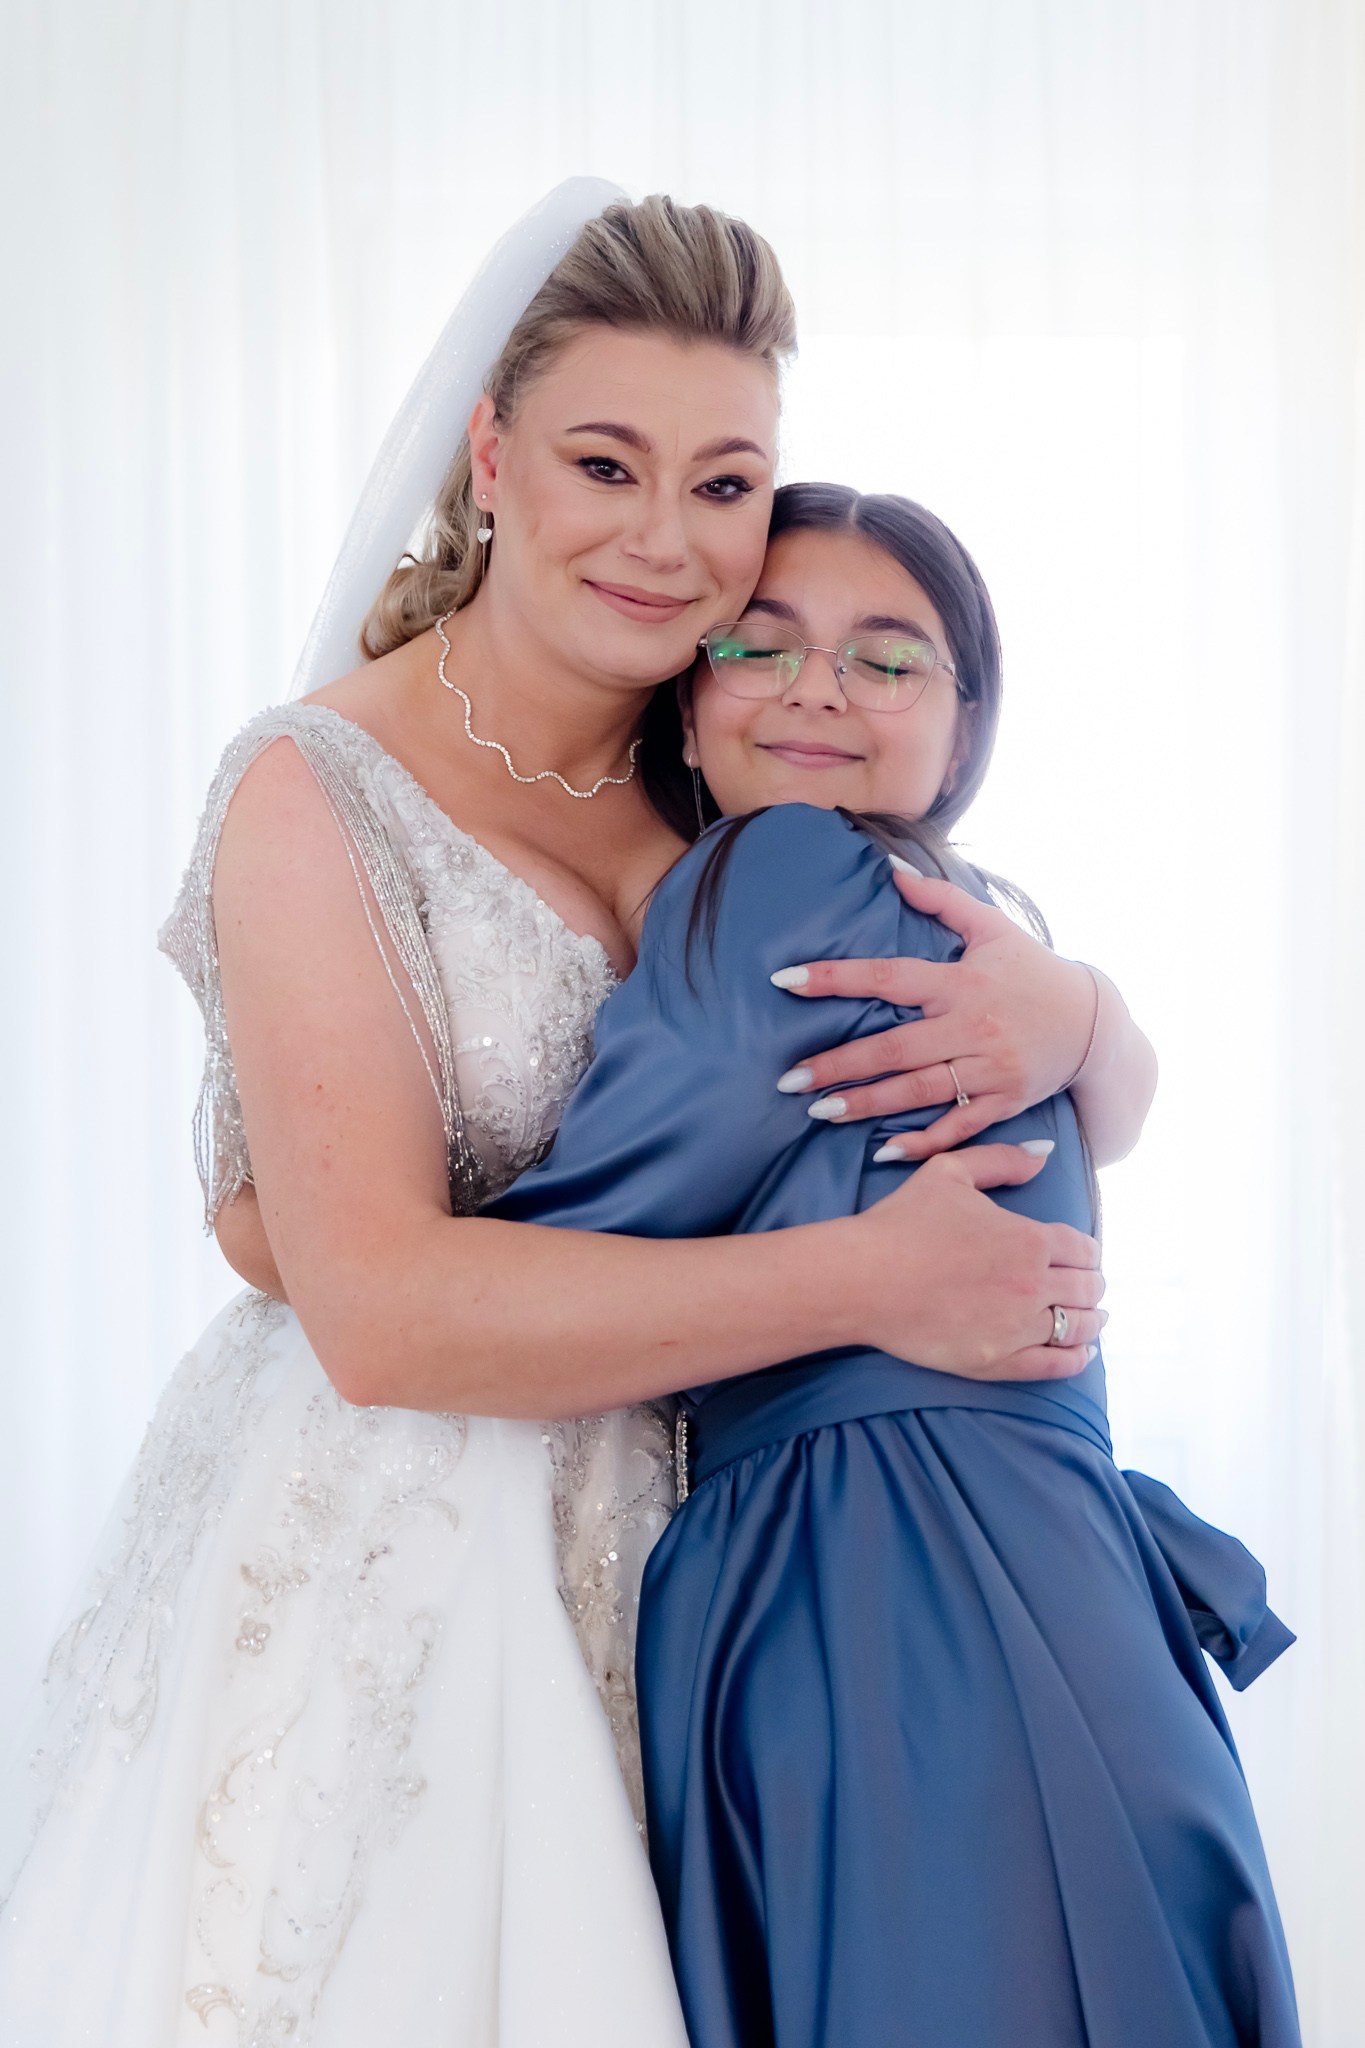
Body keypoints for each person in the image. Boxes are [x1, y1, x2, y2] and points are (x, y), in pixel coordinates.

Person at [0, 186, 1152, 2047]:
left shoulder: (733, 755)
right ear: (489, 457)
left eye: (722, 485)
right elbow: (375, 1321)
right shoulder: (315, 792)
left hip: (718, 1549)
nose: (664, 540)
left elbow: (926, 1063)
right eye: (604, 465)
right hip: (409, 1535)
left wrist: (1084, 1017)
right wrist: (874, 1284)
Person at [491, 483, 1300, 2048]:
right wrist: (1095, 1017)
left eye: (885, 657)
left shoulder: (781, 869)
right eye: (759, 645)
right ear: (688, 693)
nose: (816, 690)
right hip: (1064, 1573)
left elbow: (577, 1239)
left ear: (962, 717)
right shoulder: (980, 924)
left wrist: (355, 1248)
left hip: (882, 1577)